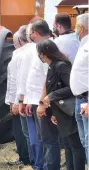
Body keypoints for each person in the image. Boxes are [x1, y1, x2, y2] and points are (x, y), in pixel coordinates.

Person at [37, 39, 86, 170]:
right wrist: (54, 112)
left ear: (43, 53)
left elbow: (72, 88)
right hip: (61, 112)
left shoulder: (60, 66)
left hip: (68, 111)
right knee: (69, 146)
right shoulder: (52, 66)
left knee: (75, 146)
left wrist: (51, 96)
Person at [25, 19, 60, 170]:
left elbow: (48, 78)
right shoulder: (39, 48)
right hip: (36, 100)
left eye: (31, 33)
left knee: (49, 140)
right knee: (43, 138)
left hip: (43, 102)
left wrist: (42, 103)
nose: (31, 36)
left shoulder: (47, 48)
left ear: (35, 33)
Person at [18, 23, 44, 170]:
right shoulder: (47, 46)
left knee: (37, 137)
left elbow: (24, 77)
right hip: (38, 99)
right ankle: (39, 165)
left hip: (37, 99)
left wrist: (21, 100)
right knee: (39, 138)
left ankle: (39, 165)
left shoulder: (27, 51)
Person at [5, 26, 31, 166]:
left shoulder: (19, 54)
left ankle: (25, 158)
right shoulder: (35, 50)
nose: (14, 46)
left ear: (20, 40)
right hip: (31, 98)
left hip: (20, 99)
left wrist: (14, 101)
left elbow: (15, 79)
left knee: (20, 130)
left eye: (14, 43)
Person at [70, 13, 89, 161]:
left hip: (86, 100)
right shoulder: (83, 45)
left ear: (81, 27)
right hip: (80, 100)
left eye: (76, 25)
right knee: (85, 142)